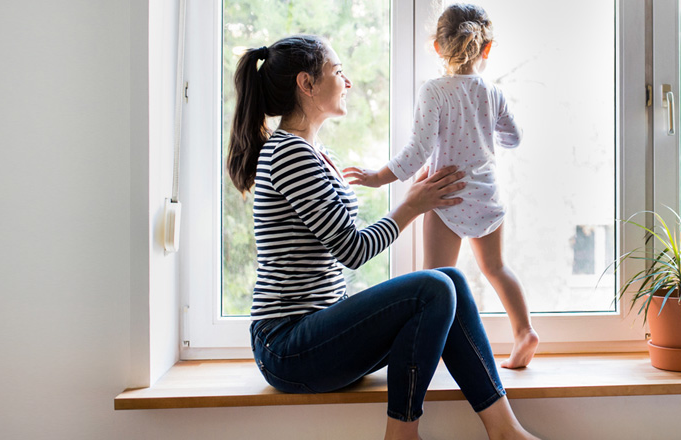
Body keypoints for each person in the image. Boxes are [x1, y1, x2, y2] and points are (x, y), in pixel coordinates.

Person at [226, 34, 539, 440]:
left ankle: (505, 431)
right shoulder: (288, 154)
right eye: (337, 72)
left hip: (316, 333)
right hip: (287, 346)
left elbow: (340, 238)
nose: (348, 81)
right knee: (433, 287)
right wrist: (412, 205)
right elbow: (352, 249)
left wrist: (418, 196)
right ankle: (402, 435)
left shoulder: (316, 153)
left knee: (452, 281)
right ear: (306, 84)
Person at [343, 3, 539, 369]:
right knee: (496, 268)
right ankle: (524, 331)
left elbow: (416, 153)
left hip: (444, 195)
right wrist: (487, 130)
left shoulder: (433, 92)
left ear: (437, 46)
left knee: (434, 281)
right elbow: (514, 137)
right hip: (485, 194)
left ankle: (433, 352)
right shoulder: (491, 92)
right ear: (487, 48)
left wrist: (376, 177)